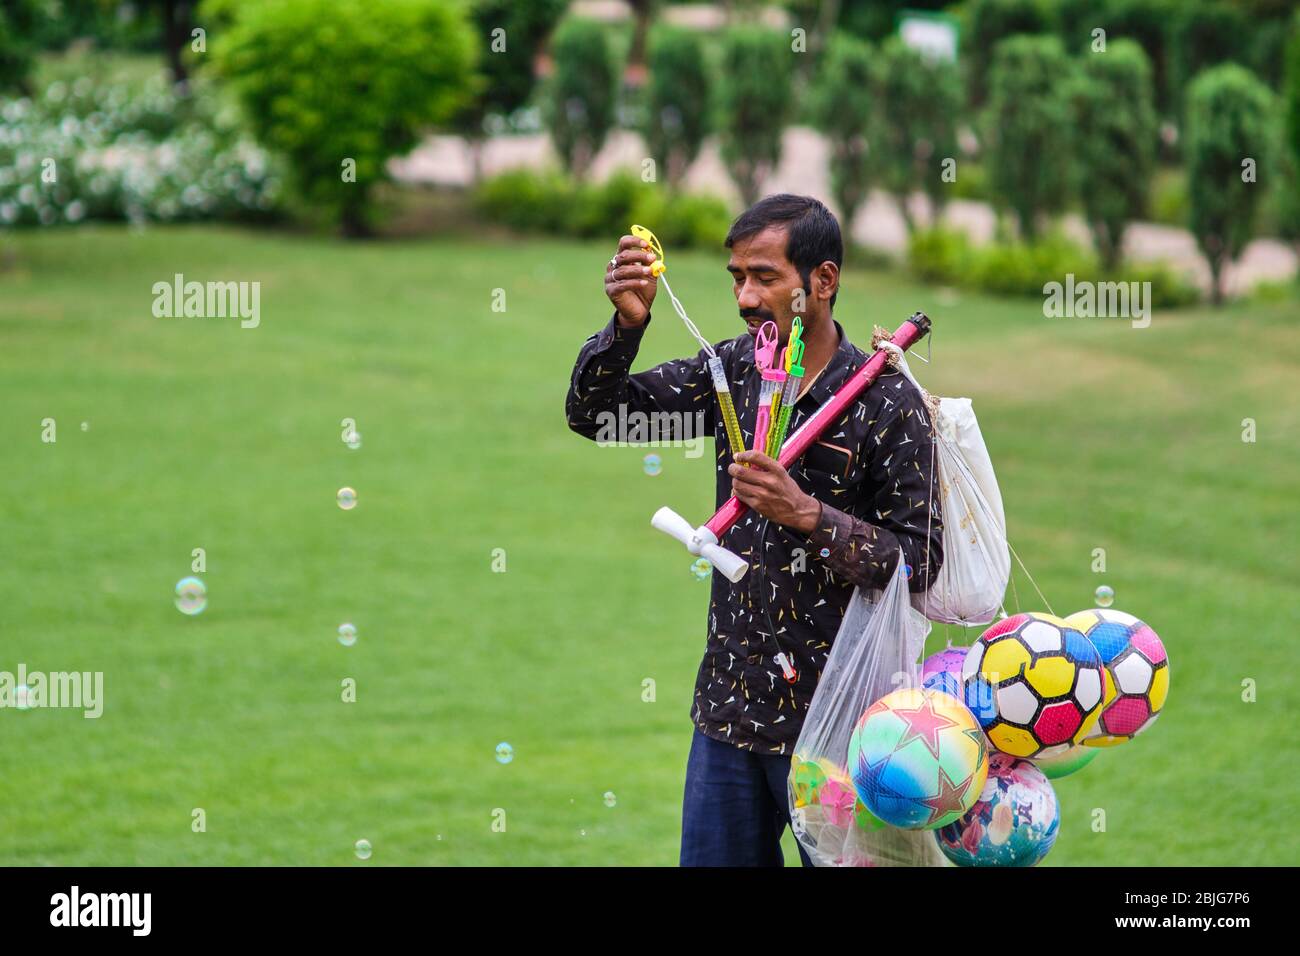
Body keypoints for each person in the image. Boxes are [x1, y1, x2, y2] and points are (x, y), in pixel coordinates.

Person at [564, 194, 943, 866]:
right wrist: (626, 328)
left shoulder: (887, 400)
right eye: (737, 276)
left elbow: (918, 564)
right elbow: (598, 416)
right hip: (729, 715)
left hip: (845, 724)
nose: (744, 296)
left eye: (764, 277)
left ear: (821, 281)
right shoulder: (734, 371)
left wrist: (807, 514)